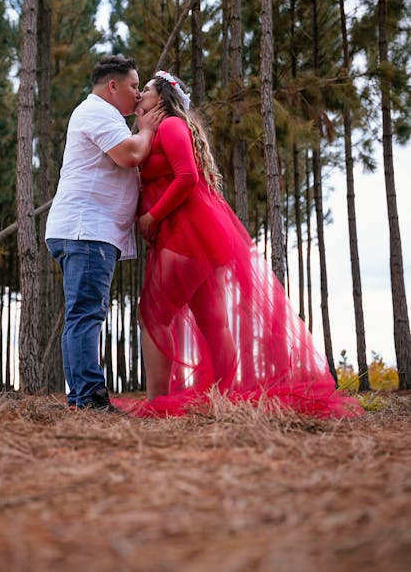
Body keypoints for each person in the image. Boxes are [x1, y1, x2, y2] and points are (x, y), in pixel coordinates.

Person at [117, 70, 361, 418]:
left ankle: (159, 401)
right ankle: (224, 395)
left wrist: (152, 216)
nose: (140, 95)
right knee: (211, 316)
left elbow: (187, 176)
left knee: (153, 312)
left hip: (184, 230)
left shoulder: (171, 126)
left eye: (147, 91)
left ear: (164, 100)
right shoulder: (160, 128)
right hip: (192, 230)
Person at [45, 55, 163, 412]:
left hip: (88, 230)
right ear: (112, 86)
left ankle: (80, 399)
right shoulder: (96, 112)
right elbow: (129, 155)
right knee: (86, 314)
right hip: (87, 230)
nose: (138, 95)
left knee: (83, 313)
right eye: (132, 86)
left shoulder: (103, 115)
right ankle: (91, 399)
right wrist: (148, 129)